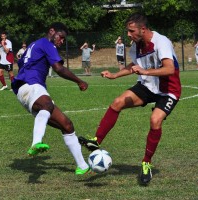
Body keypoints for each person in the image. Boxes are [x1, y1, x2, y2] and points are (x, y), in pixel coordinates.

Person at [78, 13, 181, 185]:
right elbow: (134, 66)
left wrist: (146, 72)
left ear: (143, 29)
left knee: (155, 120)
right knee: (117, 102)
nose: (128, 34)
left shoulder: (161, 42)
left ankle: (146, 163)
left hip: (168, 90)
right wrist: (114, 75)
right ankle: (96, 141)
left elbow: (169, 69)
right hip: (148, 86)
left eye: (131, 31)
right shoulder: (136, 46)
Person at [11, 22, 91, 175]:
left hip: (25, 89)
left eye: (63, 40)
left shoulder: (33, 45)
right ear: (51, 31)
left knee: (67, 125)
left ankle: (82, 165)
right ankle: (36, 142)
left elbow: (21, 63)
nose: (61, 41)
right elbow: (58, 68)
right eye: (61, 37)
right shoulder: (46, 43)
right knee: (46, 104)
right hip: (31, 85)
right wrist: (79, 81)